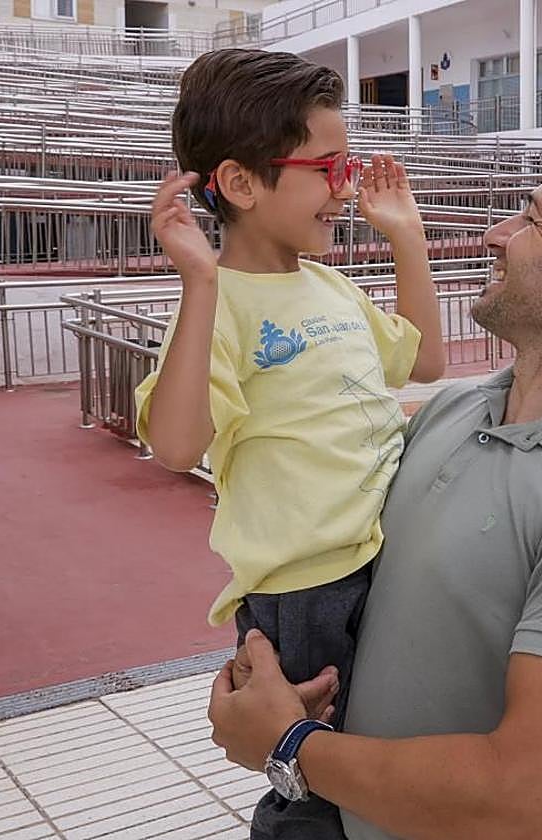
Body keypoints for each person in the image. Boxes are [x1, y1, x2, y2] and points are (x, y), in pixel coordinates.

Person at [210, 146, 542, 840]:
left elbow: (518, 802)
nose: (496, 235)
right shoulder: (456, 413)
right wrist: (271, 664)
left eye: (531, 219)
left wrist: (289, 746)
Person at [133, 48, 444, 838]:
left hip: (375, 555)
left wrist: (407, 237)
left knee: (368, 753)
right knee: (308, 773)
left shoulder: (330, 284)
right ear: (240, 184)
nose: (346, 189)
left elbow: (424, 361)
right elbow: (175, 445)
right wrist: (200, 283)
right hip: (305, 588)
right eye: (328, 168)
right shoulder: (223, 304)